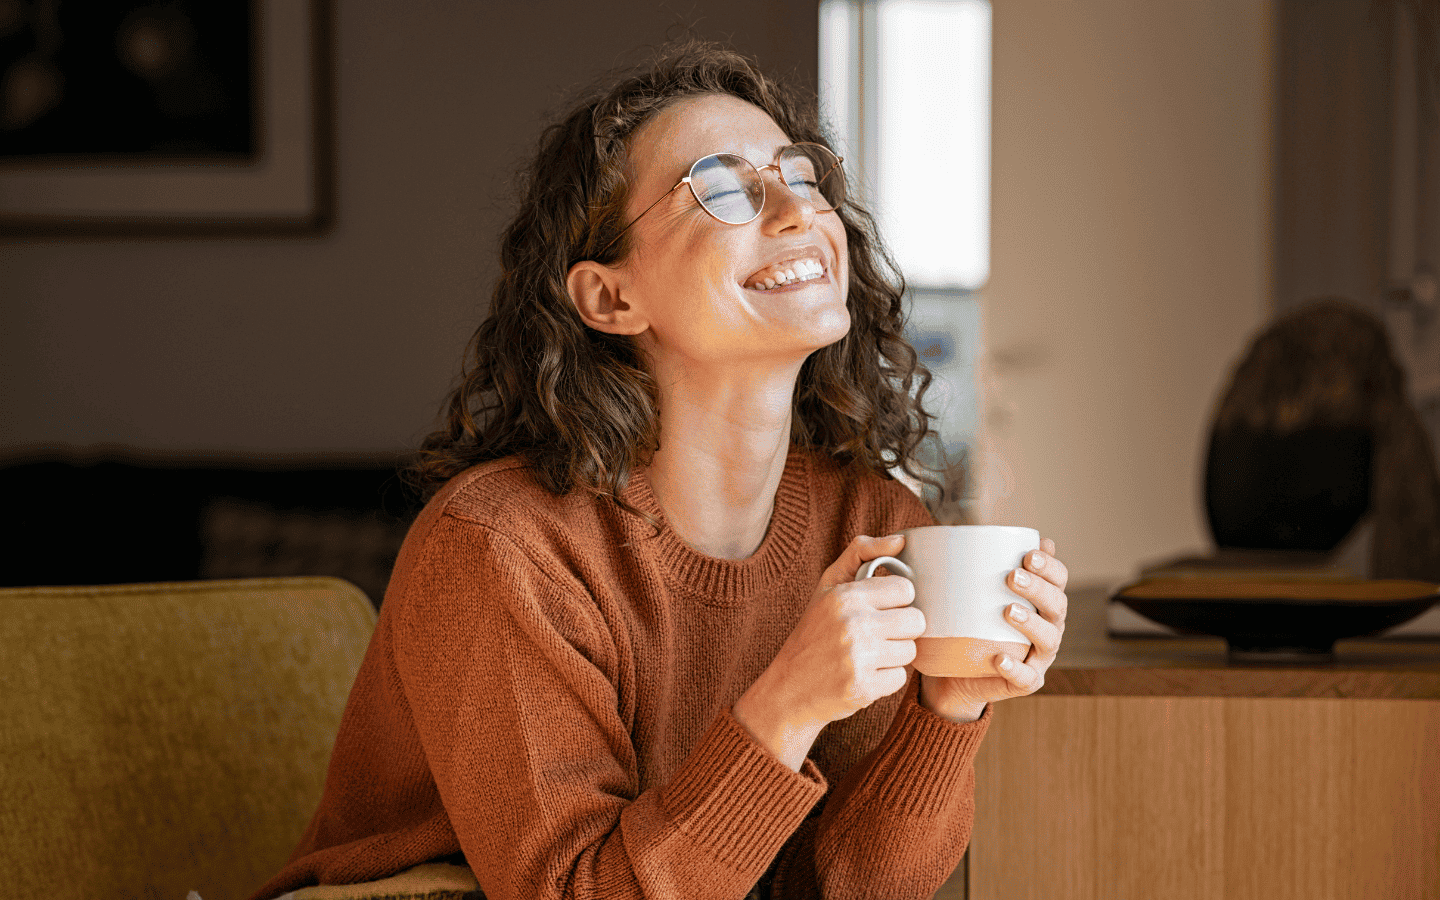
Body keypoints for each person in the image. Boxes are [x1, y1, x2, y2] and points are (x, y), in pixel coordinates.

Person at [250, 43, 1068, 900]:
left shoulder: (876, 522)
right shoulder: (501, 548)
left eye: (802, 173)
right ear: (610, 299)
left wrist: (948, 709)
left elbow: (849, 888)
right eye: (721, 187)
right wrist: (785, 705)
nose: (797, 209)